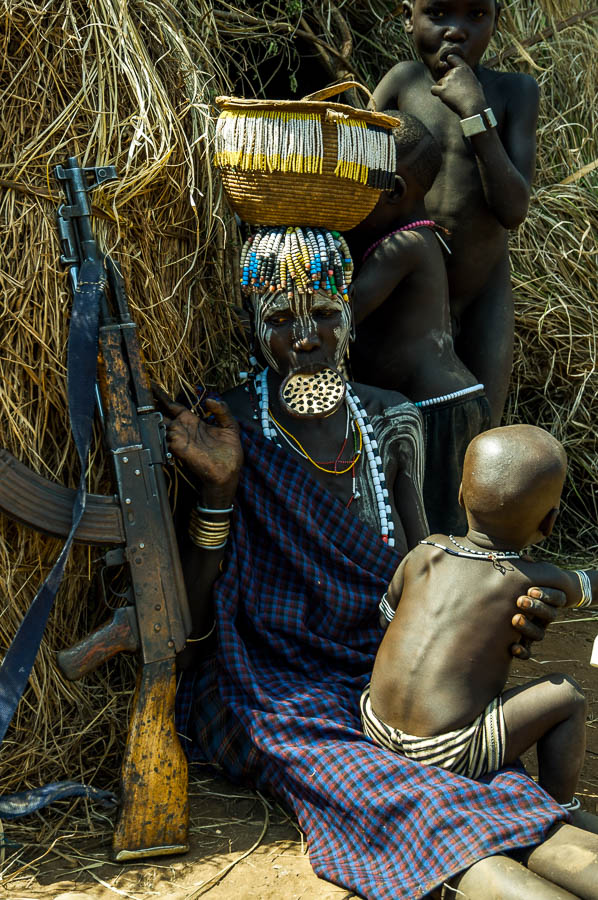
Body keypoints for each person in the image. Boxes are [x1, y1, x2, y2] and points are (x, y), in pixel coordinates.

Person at [165, 226, 597, 900]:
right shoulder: (229, 426)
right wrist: (219, 491)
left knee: (489, 779)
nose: (304, 339)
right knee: (392, 792)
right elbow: (190, 637)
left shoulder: (389, 418)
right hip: (274, 689)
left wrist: (503, 618)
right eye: (279, 320)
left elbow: (435, 567)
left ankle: (553, 844)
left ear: (351, 319)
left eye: (327, 316)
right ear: (253, 325)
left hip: (386, 675)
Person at [362, 424, 596, 833]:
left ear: (459, 494)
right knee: (569, 696)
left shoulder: (425, 552)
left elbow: (386, 621)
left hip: (373, 723)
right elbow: (590, 586)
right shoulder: (531, 578)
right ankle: (563, 809)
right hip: (447, 750)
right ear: (551, 522)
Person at [371, 0, 540, 427]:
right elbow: (359, 185)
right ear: (409, 16)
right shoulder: (402, 84)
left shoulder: (514, 92)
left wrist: (475, 113)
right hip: (410, 296)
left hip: (484, 292)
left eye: (476, 15)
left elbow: (513, 209)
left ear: (497, 18)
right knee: (402, 429)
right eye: (439, 13)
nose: (457, 31)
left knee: (482, 436)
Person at [346, 111, 490, 534]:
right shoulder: (419, 236)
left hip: (438, 409)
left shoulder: (403, 246)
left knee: (441, 527)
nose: (347, 197)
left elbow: (345, 313)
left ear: (392, 190)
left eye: (355, 185)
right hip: (445, 403)